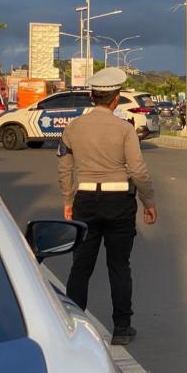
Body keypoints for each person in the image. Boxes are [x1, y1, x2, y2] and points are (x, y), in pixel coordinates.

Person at [57, 67, 157, 345]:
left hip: (85, 202)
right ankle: (122, 328)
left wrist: (68, 200)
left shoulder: (73, 128)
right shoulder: (125, 129)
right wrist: (148, 201)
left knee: (81, 266)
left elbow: (64, 169)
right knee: (119, 266)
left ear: (92, 96)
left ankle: (73, 328)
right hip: (119, 203)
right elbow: (138, 169)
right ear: (116, 99)